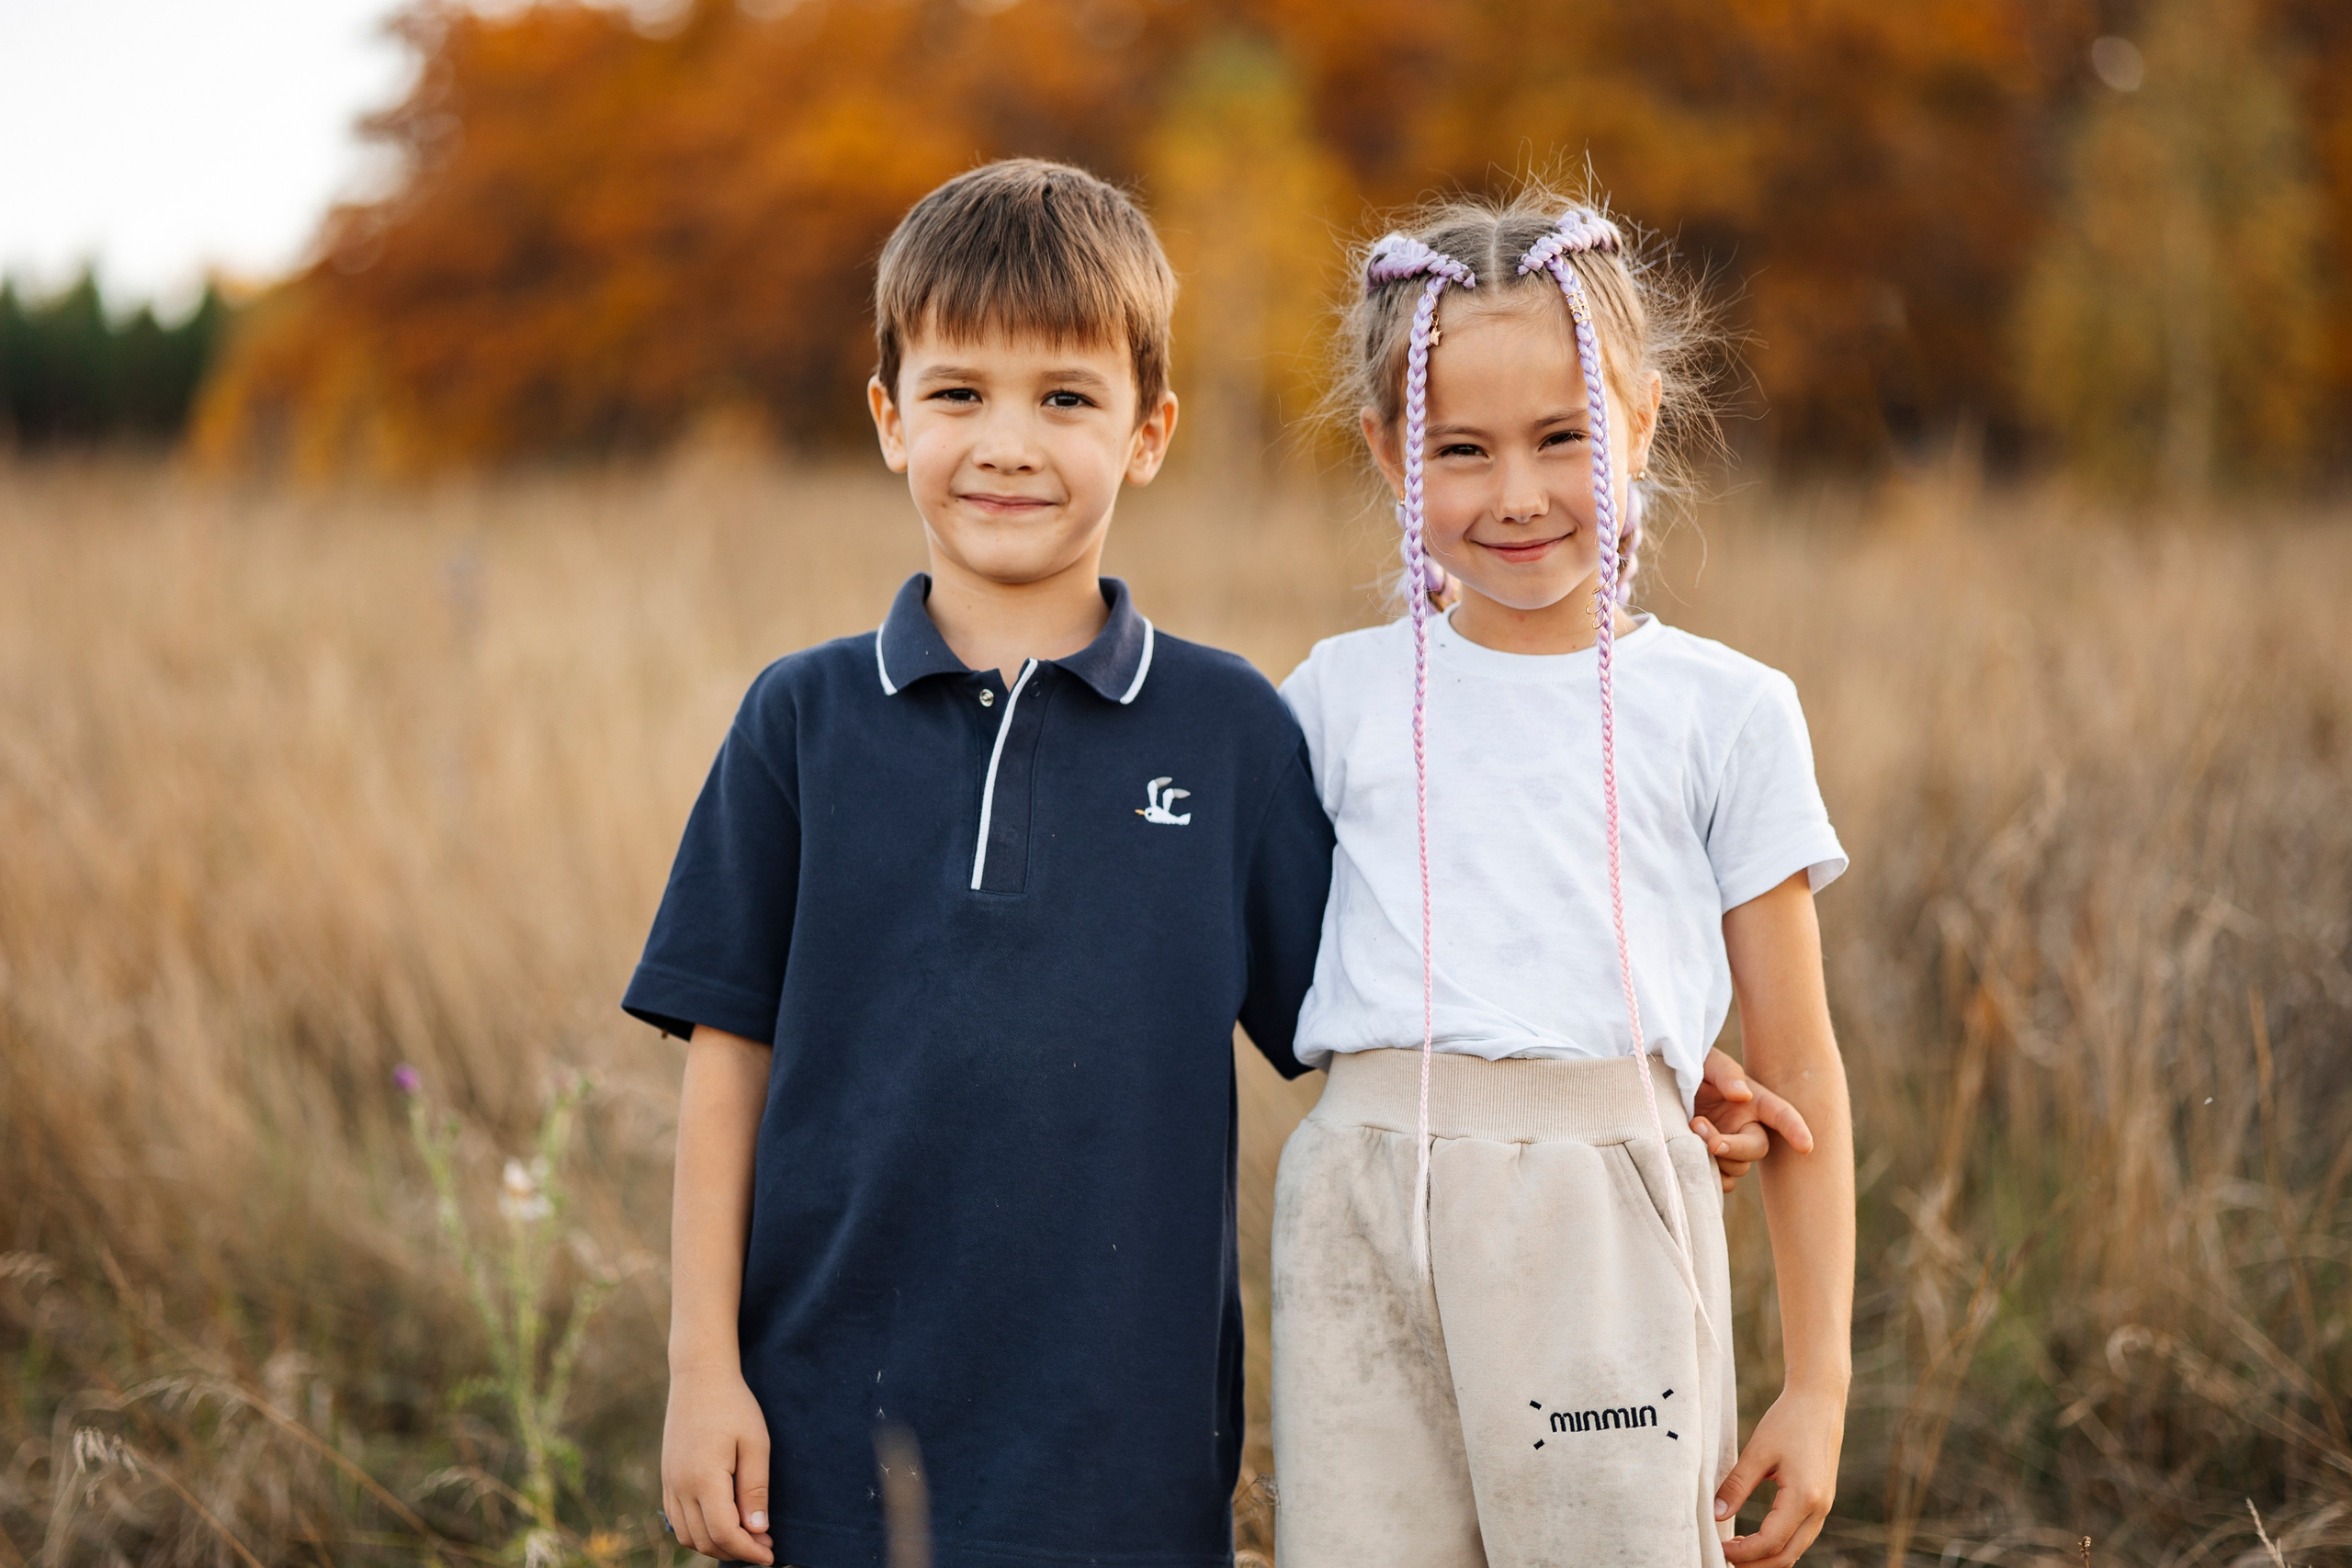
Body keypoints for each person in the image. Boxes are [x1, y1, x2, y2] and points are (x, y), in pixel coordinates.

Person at [628, 158, 1806, 1568]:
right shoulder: (799, 722)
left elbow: (1381, 996)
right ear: (889, 418)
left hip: (1126, 1456)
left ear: (1148, 431)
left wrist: (1646, 1062)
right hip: (831, 1434)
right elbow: (725, 1067)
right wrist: (705, 1372)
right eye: (959, 394)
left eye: (1066, 398)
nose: (1008, 442)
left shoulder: (1233, 728)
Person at [1270, 184, 1857, 1568]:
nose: (1517, 493)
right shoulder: (1330, 703)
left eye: (1564, 437)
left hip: (1605, 1223)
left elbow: (1802, 1070)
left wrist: (1820, 1385)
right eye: (1460, 448)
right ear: (1388, 454)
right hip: (1358, 1214)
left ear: (1642, 421)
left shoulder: (1727, 711)